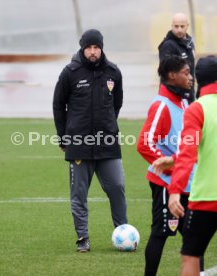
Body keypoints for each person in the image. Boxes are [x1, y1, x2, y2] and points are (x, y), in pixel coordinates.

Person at [53, 29, 127, 252]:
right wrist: (64, 136)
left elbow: (117, 103)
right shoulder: (70, 72)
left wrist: (108, 125)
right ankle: (82, 237)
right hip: (79, 144)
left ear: (102, 48)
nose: (93, 52)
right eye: (89, 48)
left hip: (108, 143)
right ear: (82, 48)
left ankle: (123, 232)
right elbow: (58, 105)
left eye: (96, 47)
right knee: (79, 194)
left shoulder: (113, 72)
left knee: (117, 186)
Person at [137, 56, 203, 276]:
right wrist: (170, 168)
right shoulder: (160, 106)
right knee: (161, 233)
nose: (191, 77)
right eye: (186, 72)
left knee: (195, 237)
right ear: (172, 75)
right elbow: (144, 144)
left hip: (187, 182)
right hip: (166, 184)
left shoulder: (185, 103)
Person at [152, 55, 217, 276]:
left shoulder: (196, 109)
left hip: (206, 199)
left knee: (191, 256)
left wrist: (174, 192)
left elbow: (189, 154)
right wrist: (172, 159)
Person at [158, 12, 195, 103]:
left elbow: (191, 70)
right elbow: (167, 74)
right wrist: (180, 96)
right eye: (176, 26)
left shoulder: (189, 43)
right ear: (172, 26)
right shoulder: (168, 45)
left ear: (187, 26)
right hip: (174, 96)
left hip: (188, 94)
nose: (179, 29)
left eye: (182, 26)